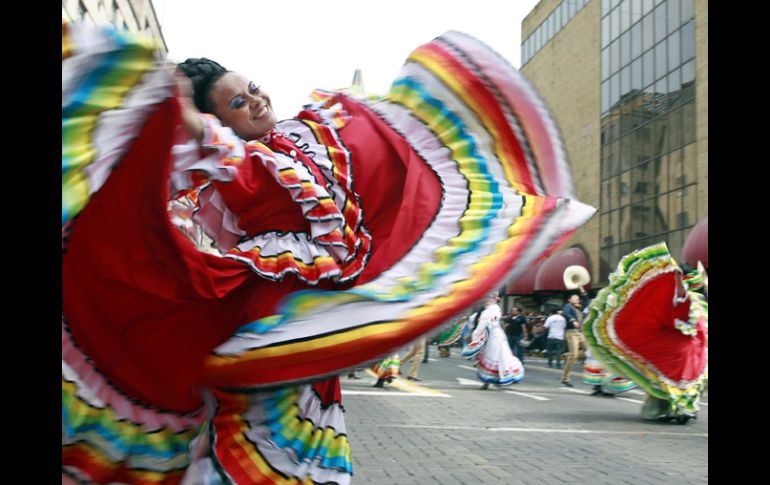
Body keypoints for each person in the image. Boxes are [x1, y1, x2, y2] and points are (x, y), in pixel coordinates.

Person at [62, 23, 595, 483]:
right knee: (264, 397)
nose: (256, 101)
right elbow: (177, 141)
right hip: (271, 294)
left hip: (312, 297)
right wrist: (162, 97)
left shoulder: (307, 133)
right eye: (238, 103)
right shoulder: (229, 156)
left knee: (302, 391)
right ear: (218, 120)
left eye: (253, 88)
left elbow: (376, 165)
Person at [581, 243, 708, 423]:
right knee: (682, 380)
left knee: (673, 379)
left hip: (682, 347)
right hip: (692, 347)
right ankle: (681, 410)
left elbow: (679, 307)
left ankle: (678, 410)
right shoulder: (698, 301)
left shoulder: (688, 298)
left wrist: (676, 279)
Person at [462, 295, 524, 389]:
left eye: (489, 299)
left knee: (499, 356)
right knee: (488, 357)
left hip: (495, 336)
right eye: (486, 299)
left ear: (493, 300)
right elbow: (480, 324)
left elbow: (494, 319)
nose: (486, 301)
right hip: (487, 336)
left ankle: (503, 378)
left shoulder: (495, 308)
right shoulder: (484, 310)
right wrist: (476, 335)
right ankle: (488, 381)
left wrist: (490, 323)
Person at [560, 288, 589, 386]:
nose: (577, 299)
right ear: (569, 300)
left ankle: (567, 355)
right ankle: (565, 378)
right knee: (574, 356)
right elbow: (566, 313)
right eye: (575, 298)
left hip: (580, 333)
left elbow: (586, 302)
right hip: (571, 333)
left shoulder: (579, 308)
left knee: (589, 352)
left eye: (578, 298)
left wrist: (582, 290)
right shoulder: (567, 306)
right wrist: (573, 320)